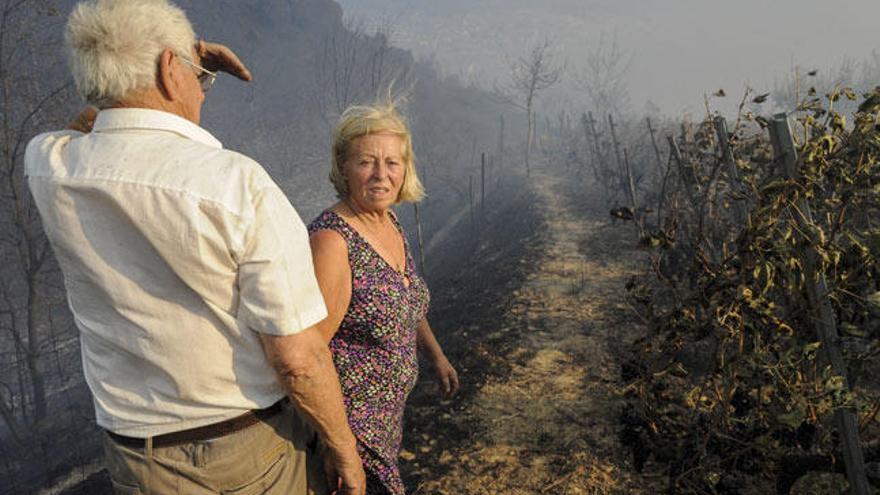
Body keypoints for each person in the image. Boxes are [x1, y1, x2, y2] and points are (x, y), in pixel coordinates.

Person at [24, 0, 365, 493]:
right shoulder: (238, 185)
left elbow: (91, 125)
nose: (202, 92)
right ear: (169, 68)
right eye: (199, 76)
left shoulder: (49, 165)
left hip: (137, 460)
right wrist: (345, 451)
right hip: (248, 455)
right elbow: (297, 358)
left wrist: (149, 70)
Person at [308, 103, 460, 495]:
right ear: (343, 167)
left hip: (386, 426)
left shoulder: (389, 222)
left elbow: (406, 300)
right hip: (352, 436)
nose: (381, 174)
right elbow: (310, 351)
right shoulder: (332, 242)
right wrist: (335, 444)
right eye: (366, 162)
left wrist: (437, 356)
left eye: (392, 162)